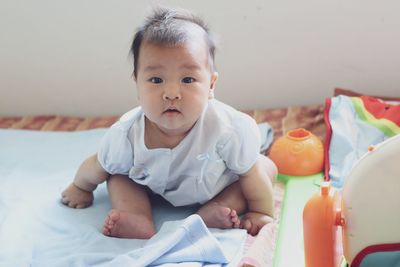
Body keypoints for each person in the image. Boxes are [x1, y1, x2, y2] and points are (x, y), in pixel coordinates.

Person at [61, 6, 277, 239]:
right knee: (117, 176)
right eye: (156, 79)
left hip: (216, 188)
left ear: (211, 86)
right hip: (151, 189)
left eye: (187, 79)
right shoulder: (126, 135)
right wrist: (81, 187)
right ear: (138, 85)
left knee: (263, 167)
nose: (172, 93)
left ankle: (216, 208)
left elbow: (251, 175)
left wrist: (260, 211)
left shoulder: (228, 130)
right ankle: (136, 216)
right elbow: (98, 164)